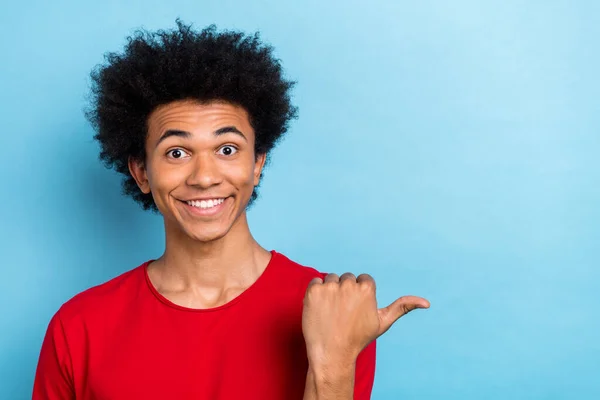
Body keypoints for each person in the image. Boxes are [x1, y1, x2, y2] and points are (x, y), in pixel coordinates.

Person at [32, 21, 429, 400]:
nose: (204, 177)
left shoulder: (335, 310)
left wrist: (334, 362)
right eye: (176, 152)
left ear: (256, 165)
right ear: (141, 172)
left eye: (227, 150)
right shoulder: (80, 327)